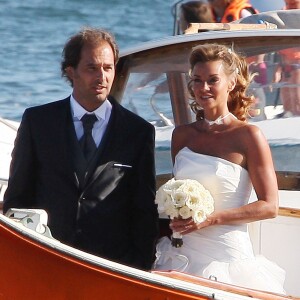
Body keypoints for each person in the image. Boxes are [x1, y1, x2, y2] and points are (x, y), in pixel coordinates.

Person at [3, 27, 159, 270]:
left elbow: (143, 208)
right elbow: (18, 194)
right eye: (92, 68)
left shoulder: (138, 132)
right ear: (70, 71)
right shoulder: (38, 122)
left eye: (108, 68)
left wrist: (139, 266)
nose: (102, 76)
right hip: (46, 257)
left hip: (111, 265)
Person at [152, 43, 285, 293]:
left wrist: (210, 219)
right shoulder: (181, 136)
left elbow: (270, 206)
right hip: (182, 255)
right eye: (197, 80)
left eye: (213, 80)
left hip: (227, 257)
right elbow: (177, 191)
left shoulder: (249, 136)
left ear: (231, 83)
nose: (203, 88)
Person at [272, 0, 300, 116]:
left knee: (297, 102)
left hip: (298, 66)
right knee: (287, 105)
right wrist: (278, 69)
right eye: (288, 3)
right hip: (285, 66)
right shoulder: (281, 15)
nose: (291, 4)